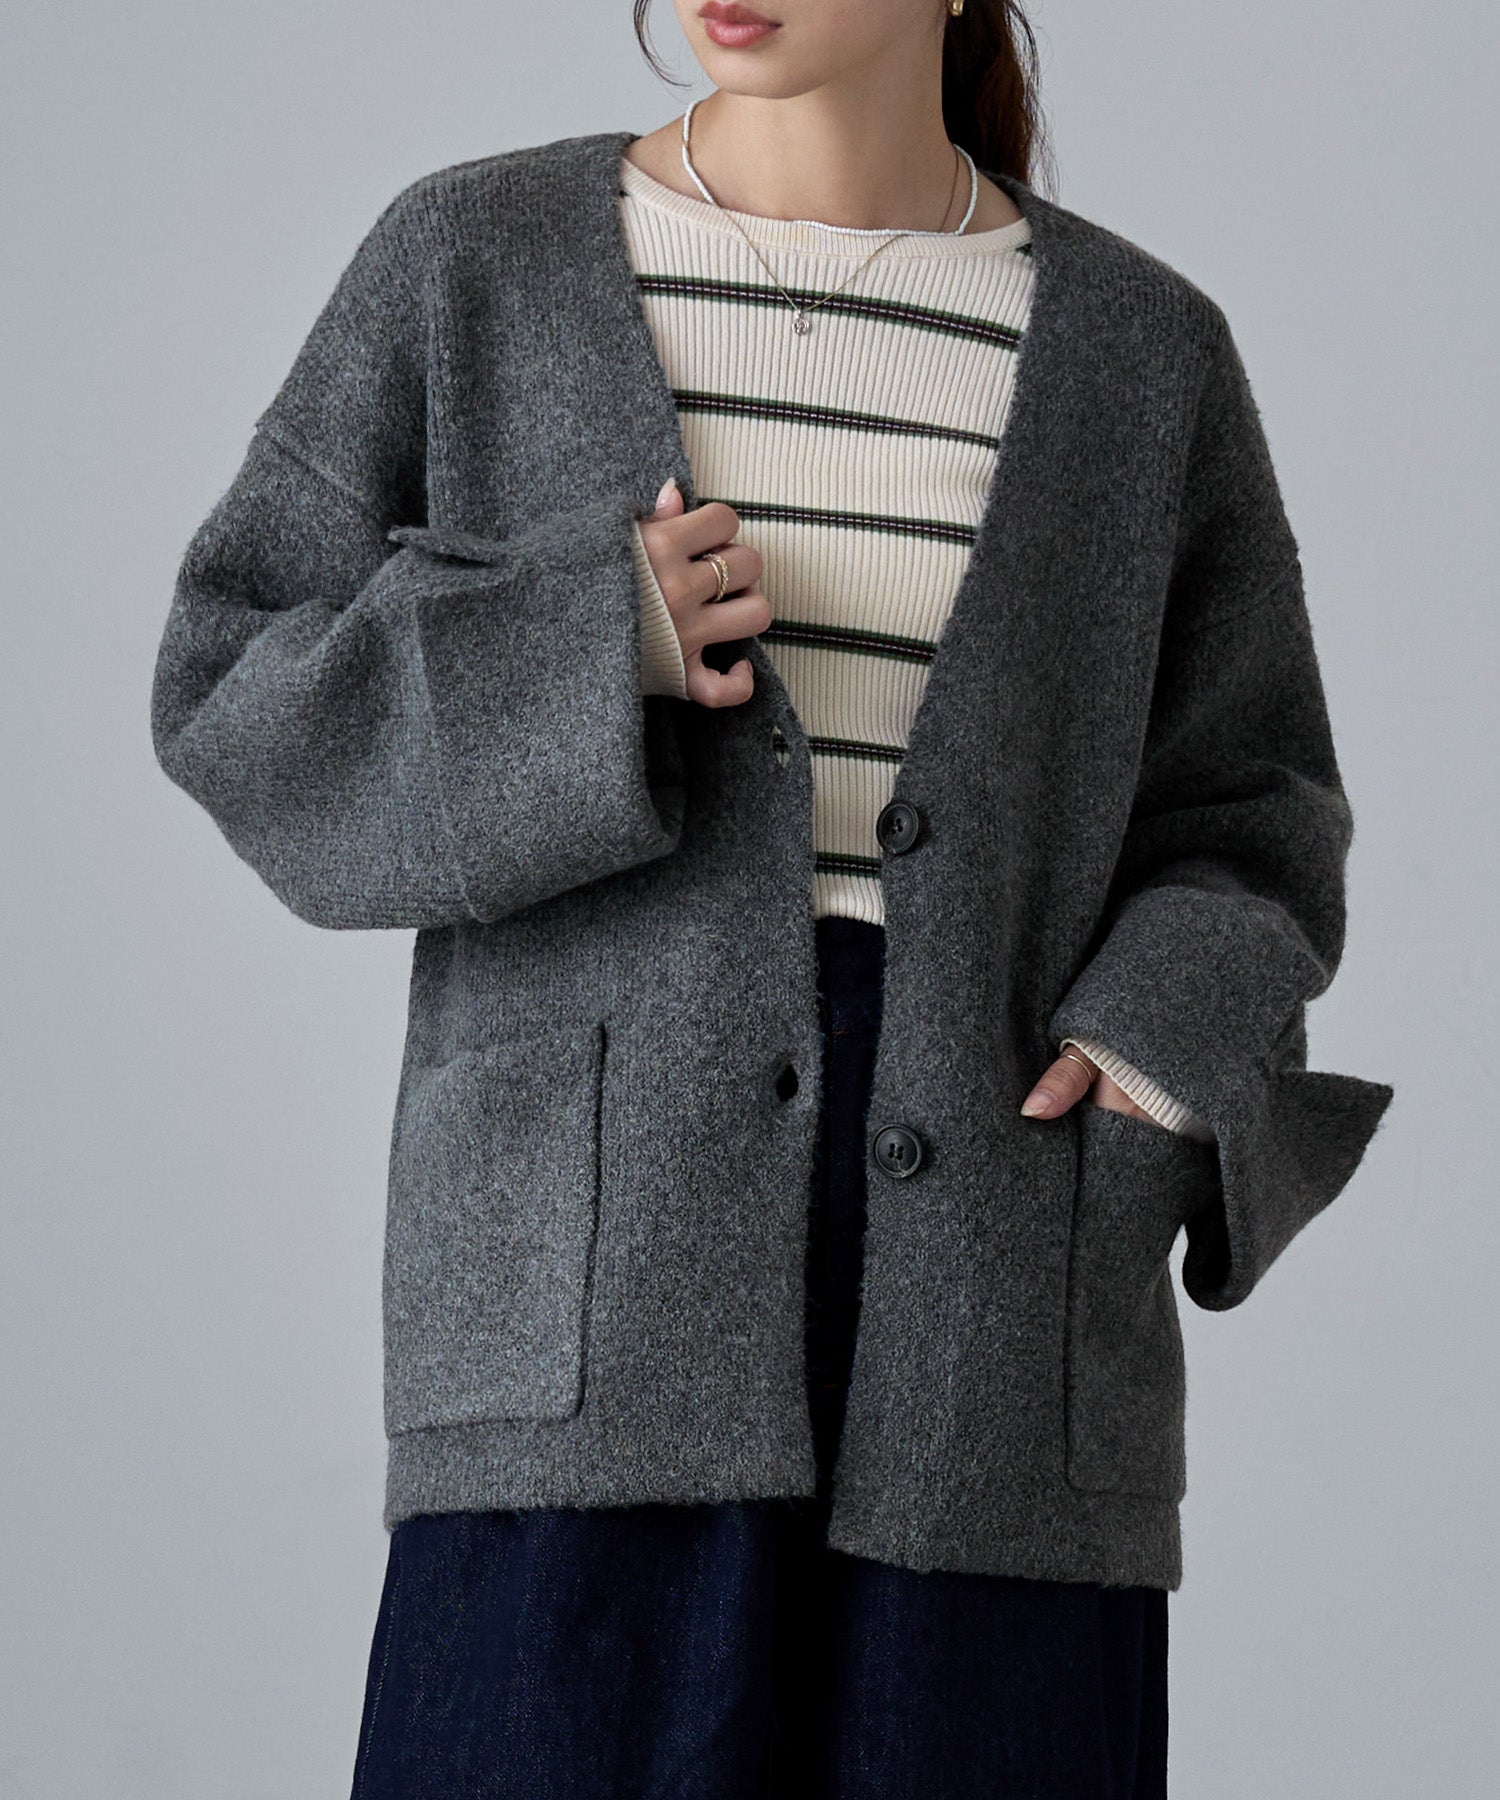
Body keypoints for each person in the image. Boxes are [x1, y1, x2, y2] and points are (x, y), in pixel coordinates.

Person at [149, 2, 1395, 1795]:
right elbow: (231, 693)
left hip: (996, 1305)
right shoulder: (472, 260)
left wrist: (1158, 1042)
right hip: (588, 1307)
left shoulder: (1144, 354)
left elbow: (1257, 807)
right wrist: (595, 646)